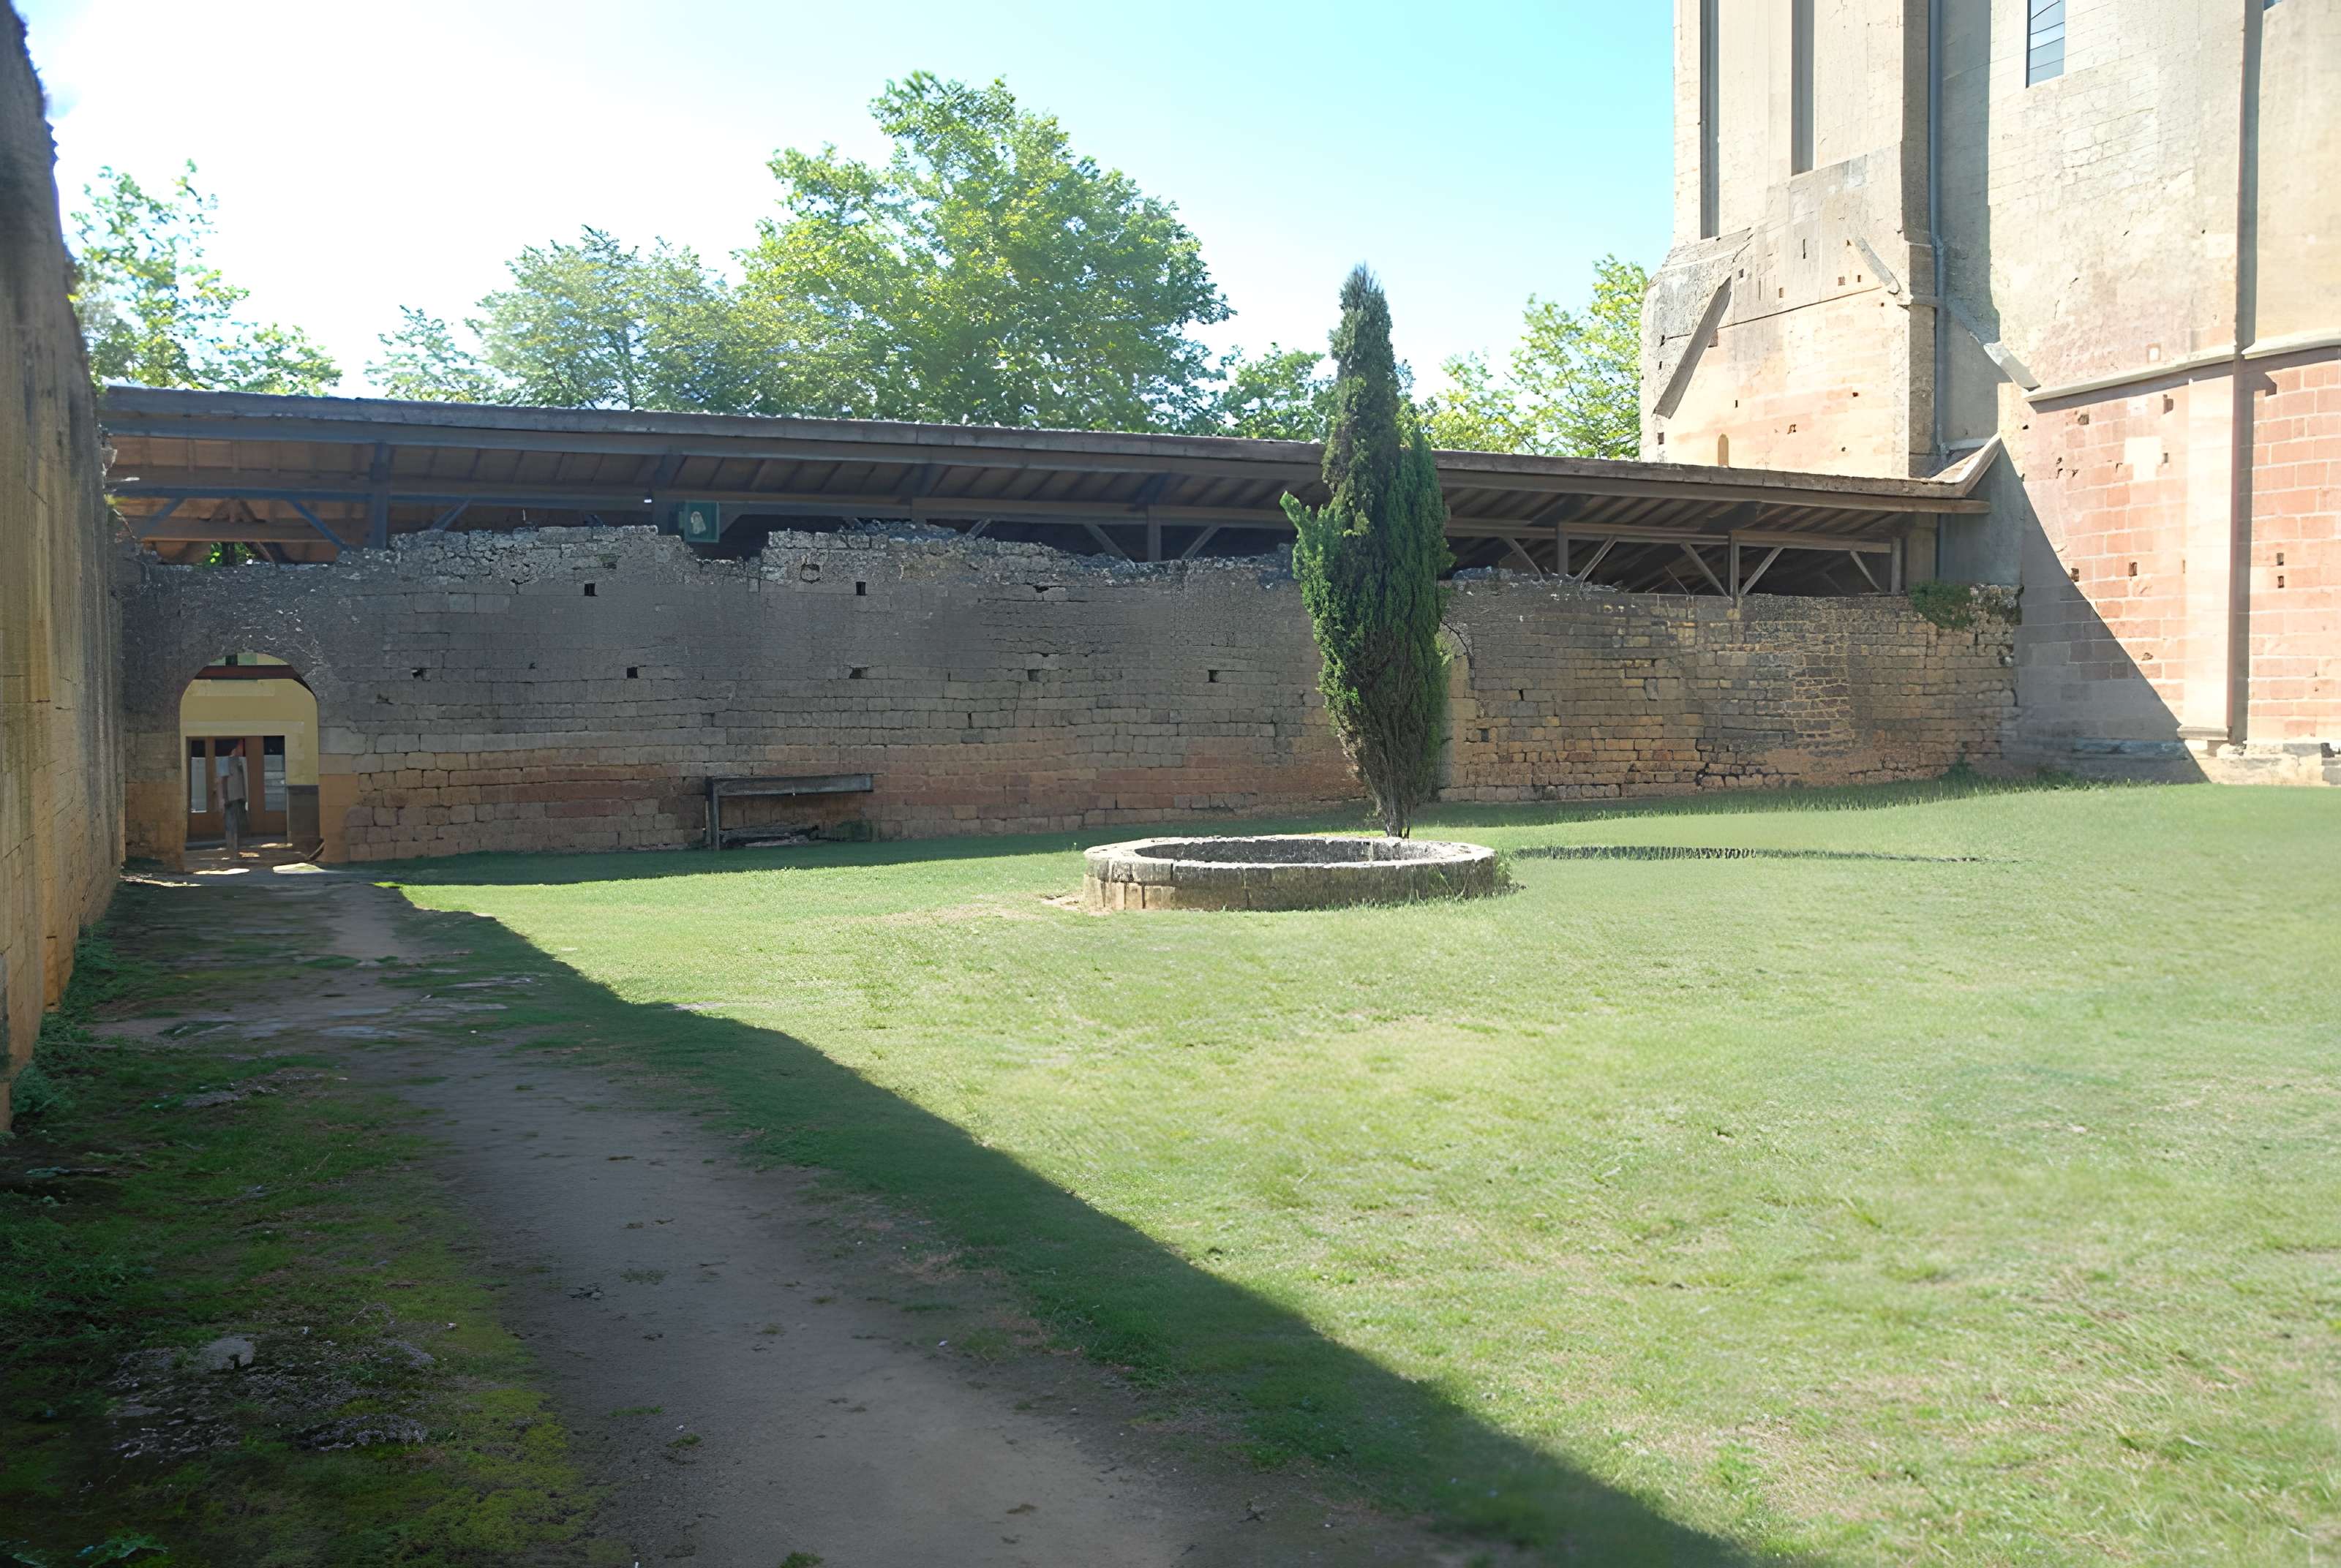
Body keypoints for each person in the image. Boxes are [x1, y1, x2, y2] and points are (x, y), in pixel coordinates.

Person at [219, 741, 249, 855]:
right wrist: (222, 799)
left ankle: (236, 847)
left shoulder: (241, 761)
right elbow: (222, 781)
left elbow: (244, 780)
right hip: (230, 798)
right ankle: (231, 847)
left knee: (238, 823)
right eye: (240, 747)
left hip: (239, 798)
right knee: (231, 823)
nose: (242, 750)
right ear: (234, 749)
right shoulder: (225, 762)